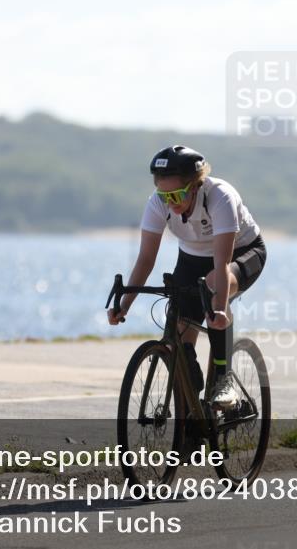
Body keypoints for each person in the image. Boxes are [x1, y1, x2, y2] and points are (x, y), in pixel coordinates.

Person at [107, 145, 266, 410]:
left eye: (178, 194)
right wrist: (124, 305)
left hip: (241, 253)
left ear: (195, 185)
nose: (172, 202)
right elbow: (145, 260)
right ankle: (191, 419)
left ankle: (223, 379)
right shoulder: (158, 202)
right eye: (165, 195)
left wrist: (218, 310)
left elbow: (222, 262)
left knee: (215, 286)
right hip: (192, 259)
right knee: (180, 320)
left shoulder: (220, 197)